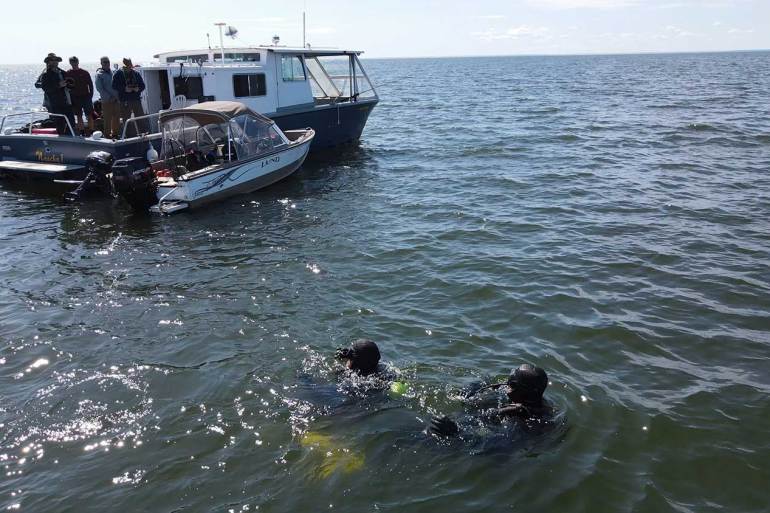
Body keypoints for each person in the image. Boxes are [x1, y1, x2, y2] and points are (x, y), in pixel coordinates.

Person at [429, 363, 554, 438]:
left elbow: (495, 448)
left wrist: (458, 433)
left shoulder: (530, 423)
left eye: (511, 385)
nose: (506, 388)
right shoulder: (533, 400)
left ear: (524, 392)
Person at [38, 53, 76, 135]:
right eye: (52, 60)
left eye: (56, 60)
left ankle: (70, 141)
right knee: (60, 125)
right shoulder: (46, 75)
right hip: (56, 104)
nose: (55, 62)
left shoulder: (63, 72)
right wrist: (58, 85)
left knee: (71, 124)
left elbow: (71, 85)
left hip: (67, 102)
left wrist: (70, 85)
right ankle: (62, 142)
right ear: (48, 62)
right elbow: (46, 89)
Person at [111, 57, 146, 135]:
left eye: (130, 65)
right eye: (127, 65)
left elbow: (143, 85)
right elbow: (114, 85)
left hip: (136, 99)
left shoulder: (136, 73)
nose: (129, 67)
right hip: (125, 100)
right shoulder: (118, 73)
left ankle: (144, 133)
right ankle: (130, 136)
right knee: (127, 119)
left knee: (140, 116)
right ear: (124, 65)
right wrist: (124, 89)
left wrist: (138, 89)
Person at [66, 56, 95, 135]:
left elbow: (90, 85)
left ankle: (91, 131)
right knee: (79, 115)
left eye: (75, 61)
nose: (74, 63)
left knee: (89, 115)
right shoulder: (68, 73)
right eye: (72, 61)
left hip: (86, 97)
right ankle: (82, 132)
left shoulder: (85, 72)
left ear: (78, 62)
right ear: (70, 63)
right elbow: (67, 86)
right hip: (75, 98)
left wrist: (90, 95)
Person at [95, 57, 120, 138]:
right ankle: (107, 136)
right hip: (106, 101)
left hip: (116, 100)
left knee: (116, 118)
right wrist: (110, 97)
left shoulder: (113, 73)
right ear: (101, 63)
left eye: (108, 62)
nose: (107, 63)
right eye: (104, 62)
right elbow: (99, 88)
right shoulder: (99, 74)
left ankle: (115, 134)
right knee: (107, 119)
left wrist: (117, 97)